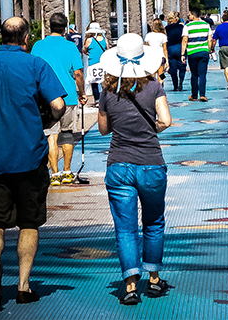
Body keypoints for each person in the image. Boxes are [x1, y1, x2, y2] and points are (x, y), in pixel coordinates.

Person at [0, 17, 67, 311]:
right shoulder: (35, 65)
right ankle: (23, 285)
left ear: (1, 36)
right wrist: (45, 123)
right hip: (28, 157)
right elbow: (58, 105)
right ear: (26, 38)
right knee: (28, 223)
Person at [97, 33, 172, 305]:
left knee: (125, 229)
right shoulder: (155, 87)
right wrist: (149, 129)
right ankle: (153, 280)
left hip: (118, 165)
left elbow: (104, 130)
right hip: (151, 164)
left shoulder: (107, 92)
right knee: (153, 222)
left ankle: (130, 287)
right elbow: (165, 120)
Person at [31, 13, 88, 185]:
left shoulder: (38, 46)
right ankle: (67, 171)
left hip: (47, 98)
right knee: (67, 134)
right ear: (65, 28)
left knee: (51, 136)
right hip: (68, 96)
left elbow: (32, 70)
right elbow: (78, 73)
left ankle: (54, 174)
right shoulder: (70, 47)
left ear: (50, 26)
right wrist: (82, 93)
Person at [181, 10, 212, 102]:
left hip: (192, 53)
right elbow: (209, 39)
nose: (188, 16)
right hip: (204, 52)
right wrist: (209, 50)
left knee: (194, 74)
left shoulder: (187, 26)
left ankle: (194, 95)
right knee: (202, 74)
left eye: (190, 14)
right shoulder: (206, 25)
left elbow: (185, 40)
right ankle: (202, 94)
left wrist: (183, 54)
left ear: (194, 15)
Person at [83, 22, 107, 102]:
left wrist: (86, 51)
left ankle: (97, 100)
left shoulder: (89, 40)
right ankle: (105, 99)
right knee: (103, 82)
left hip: (93, 63)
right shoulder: (104, 38)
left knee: (94, 82)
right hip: (103, 63)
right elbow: (107, 47)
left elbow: (84, 49)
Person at [165, 12, 186, 91]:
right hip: (180, 47)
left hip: (170, 48)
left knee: (173, 68)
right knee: (182, 66)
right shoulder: (181, 27)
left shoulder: (166, 28)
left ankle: (175, 85)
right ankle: (181, 80)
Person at [145, 19, 170, 84]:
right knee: (161, 77)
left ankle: (153, 91)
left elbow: (146, 47)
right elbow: (165, 49)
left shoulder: (148, 35)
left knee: (152, 77)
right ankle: (160, 90)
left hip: (151, 57)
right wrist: (167, 60)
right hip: (161, 58)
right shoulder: (163, 36)